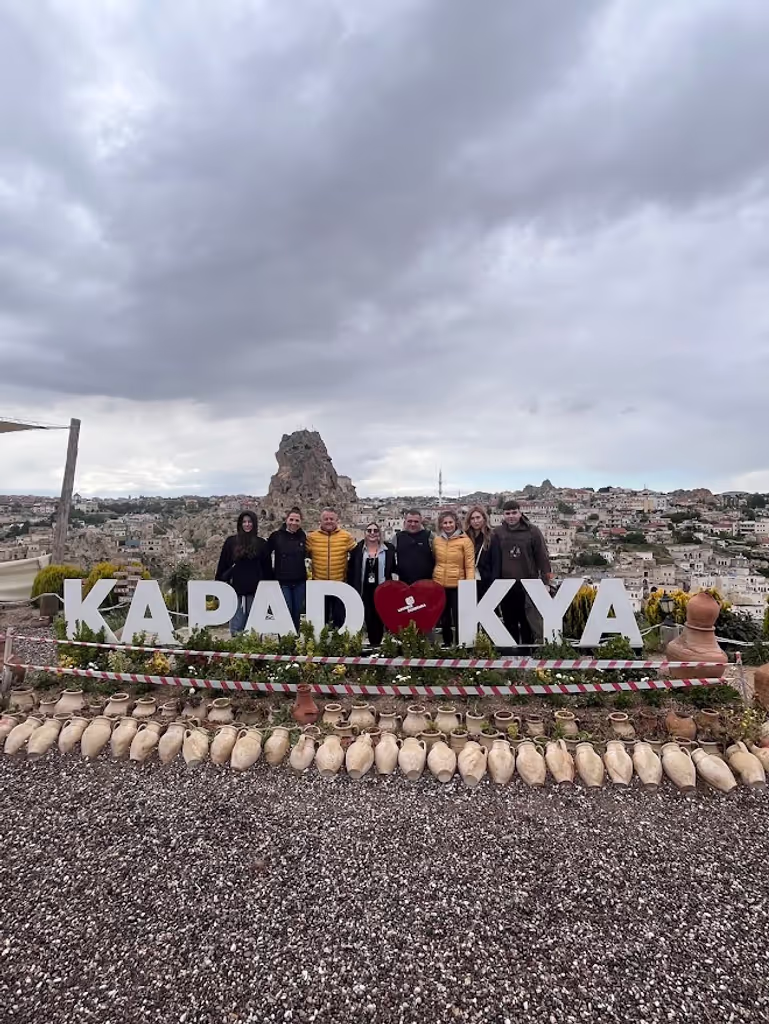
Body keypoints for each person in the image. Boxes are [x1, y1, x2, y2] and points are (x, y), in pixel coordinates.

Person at [490, 500, 552, 651]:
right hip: (505, 584)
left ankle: (526, 651)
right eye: (507, 513)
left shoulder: (533, 531)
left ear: (520, 512)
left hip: (528, 583)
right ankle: (510, 653)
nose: (511, 516)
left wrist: (546, 581)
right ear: (503, 515)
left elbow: (542, 557)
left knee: (527, 621)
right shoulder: (498, 532)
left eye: (514, 513)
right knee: (509, 620)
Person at [215, 511, 272, 635]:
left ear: (254, 523)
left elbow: (267, 568)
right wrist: (219, 583)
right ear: (240, 524)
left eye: (250, 522)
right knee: (236, 625)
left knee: (254, 626)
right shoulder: (231, 542)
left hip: (255, 590)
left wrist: (269, 589)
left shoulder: (262, 544)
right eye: (244, 522)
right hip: (235, 588)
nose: (247, 524)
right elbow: (223, 563)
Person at [305, 508, 356, 629]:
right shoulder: (311, 537)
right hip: (319, 585)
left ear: (337, 520)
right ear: (320, 521)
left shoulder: (346, 536)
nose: (329, 521)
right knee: (320, 623)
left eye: (331, 519)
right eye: (326, 519)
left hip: (340, 584)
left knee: (340, 621)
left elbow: (357, 555)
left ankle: (339, 641)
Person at [347, 522, 396, 647]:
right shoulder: (357, 549)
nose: (372, 533)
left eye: (375, 530)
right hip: (364, 590)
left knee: (380, 618)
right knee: (367, 617)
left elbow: (393, 569)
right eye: (369, 530)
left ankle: (378, 645)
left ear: (380, 533)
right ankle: (366, 644)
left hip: (382, 590)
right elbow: (351, 569)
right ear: (365, 533)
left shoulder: (389, 549)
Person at [432, 511, 475, 646]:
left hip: (458, 585)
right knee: (443, 617)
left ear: (456, 523)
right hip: (440, 584)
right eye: (445, 523)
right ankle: (447, 643)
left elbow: (469, 565)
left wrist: (469, 585)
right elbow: (434, 560)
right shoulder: (437, 540)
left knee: (458, 617)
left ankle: (460, 643)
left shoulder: (465, 541)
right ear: (440, 525)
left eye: (450, 522)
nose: (448, 525)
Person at [268, 507, 307, 632]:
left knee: (297, 613)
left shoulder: (303, 536)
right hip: (282, 582)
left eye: (297, 520)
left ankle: (295, 639)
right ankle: (284, 639)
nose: (294, 523)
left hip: (300, 582)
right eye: (291, 519)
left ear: (301, 522)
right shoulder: (276, 536)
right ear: (286, 520)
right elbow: (265, 554)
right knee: (285, 611)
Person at [391, 508, 434, 584]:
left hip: (426, 583)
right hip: (404, 583)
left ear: (420, 522)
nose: (413, 524)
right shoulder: (397, 537)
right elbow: (390, 558)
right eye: (410, 521)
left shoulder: (429, 536)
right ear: (405, 521)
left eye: (416, 521)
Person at [464, 505, 493, 600]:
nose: (475, 521)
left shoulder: (491, 536)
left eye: (478, 517)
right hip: (468, 579)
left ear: (484, 518)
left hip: (486, 580)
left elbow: (496, 561)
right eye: (472, 518)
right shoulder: (464, 537)